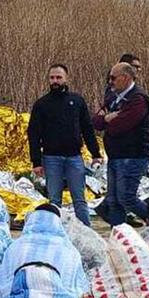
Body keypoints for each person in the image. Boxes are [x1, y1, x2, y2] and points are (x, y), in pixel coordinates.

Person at [26, 64, 102, 225]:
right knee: (54, 200)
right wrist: (36, 162)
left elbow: (87, 129)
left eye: (59, 77)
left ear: (66, 79)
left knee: (79, 200)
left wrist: (95, 154)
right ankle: (54, 232)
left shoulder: (77, 101)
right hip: (51, 158)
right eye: (52, 77)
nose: (55, 81)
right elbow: (33, 134)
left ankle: (87, 233)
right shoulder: (41, 105)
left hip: (74, 158)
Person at [91, 62, 149, 226]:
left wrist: (109, 120)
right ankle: (117, 234)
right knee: (113, 200)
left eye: (113, 78)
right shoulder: (112, 96)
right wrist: (106, 118)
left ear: (125, 78)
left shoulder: (138, 99)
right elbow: (96, 121)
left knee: (126, 197)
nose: (110, 81)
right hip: (115, 155)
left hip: (133, 156)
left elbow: (119, 127)